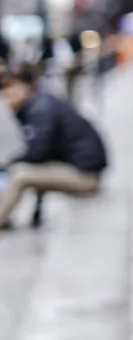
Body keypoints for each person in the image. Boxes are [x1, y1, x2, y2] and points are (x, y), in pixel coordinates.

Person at [0, 63, 108, 229]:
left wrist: (8, 166)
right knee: (21, 170)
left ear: (27, 87)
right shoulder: (39, 104)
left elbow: (39, 152)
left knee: (19, 175)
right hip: (82, 171)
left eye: (12, 88)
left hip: (86, 178)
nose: (8, 95)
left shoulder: (40, 109)